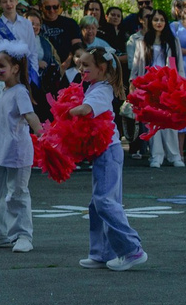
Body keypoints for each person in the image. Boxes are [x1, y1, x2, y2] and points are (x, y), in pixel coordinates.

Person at [61, 47, 145, 271]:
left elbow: (88, 110)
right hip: (105, 152)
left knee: (105, 202)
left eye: (86, 66)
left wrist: (69, 112)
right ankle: (101, 253)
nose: (81, 69)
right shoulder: (96, 86)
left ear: (102, 68)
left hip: (109, 152)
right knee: (98, 204)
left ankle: (131, 249)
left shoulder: (101, 91)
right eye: (80, 64)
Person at [0, 52, 39, 253]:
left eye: (1, 66)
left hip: (17, 152)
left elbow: (29, 114)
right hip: (1, 152)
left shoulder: (20, 92)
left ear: (15, 68)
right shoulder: (4, 90)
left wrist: (43, 134)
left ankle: (23, 235)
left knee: (17, 193)